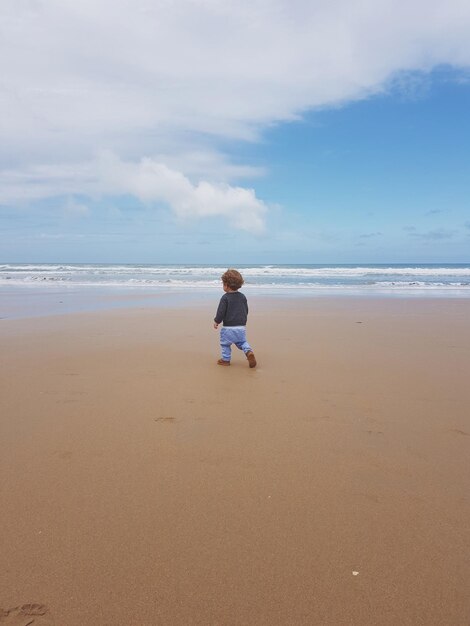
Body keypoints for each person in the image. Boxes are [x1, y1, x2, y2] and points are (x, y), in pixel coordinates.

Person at [213, 269, 257, 368]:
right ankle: (248, 351)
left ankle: (226, 360)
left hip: (228, 328)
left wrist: (216, 321)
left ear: (226, 285)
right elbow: (246, 310)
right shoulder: (242, 297)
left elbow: (221, 312)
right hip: (240, 327)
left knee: (225, 344)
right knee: (242, 342)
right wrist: (243, 320)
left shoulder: (225, 298)